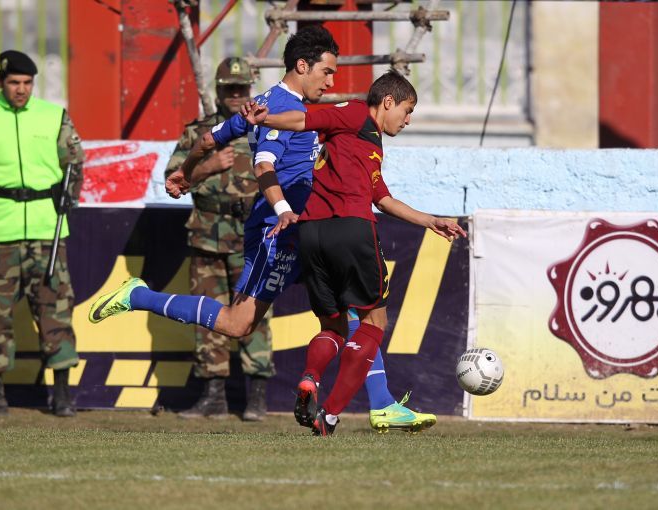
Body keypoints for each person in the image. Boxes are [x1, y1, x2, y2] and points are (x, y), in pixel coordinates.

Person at [90, 27, 436, 432]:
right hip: (279, 230)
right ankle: (139, 296)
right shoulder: (279, 105)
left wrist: (186, 173)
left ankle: (381, 403)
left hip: (313, 226)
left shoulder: (285, 107)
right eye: (326, 71)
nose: (331, 81)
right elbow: (264, 163)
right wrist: (283, 208)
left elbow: (209, 139)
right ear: (302, 66)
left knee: (356, 311)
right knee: (238, 324)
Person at [241, 70, 467, 435]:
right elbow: (304, 119)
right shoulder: (355, 112)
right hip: (351, 230)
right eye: (407, 110)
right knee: (374, 323)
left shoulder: (368, 142)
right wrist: (265, 118)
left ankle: (310, 379)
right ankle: (329, 415)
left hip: (312, 233)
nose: (407, 120)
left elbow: (383, 198)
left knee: (332, 325)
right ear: (388, 102)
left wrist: (430, 220)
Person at [0, 50, 84, 419]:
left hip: (47, 231)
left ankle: (62, 395)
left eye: (27, 83)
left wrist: (66, 200)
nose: (21, 89)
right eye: (14, 82)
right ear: (1, 83)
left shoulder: (54, 115)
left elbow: (74, 163)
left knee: (55, 309)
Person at [164, 57, 274, 421]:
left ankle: (256, 397)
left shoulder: (265, 128)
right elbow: (172, 181)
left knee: (253, 316)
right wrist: (207, 166)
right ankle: (213, 396)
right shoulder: (198, 133)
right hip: (208, 234)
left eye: (242, 88)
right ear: (218, 90)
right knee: (206, 315)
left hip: (252, 238)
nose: (236, 95)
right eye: (229, 89)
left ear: (251, 89)